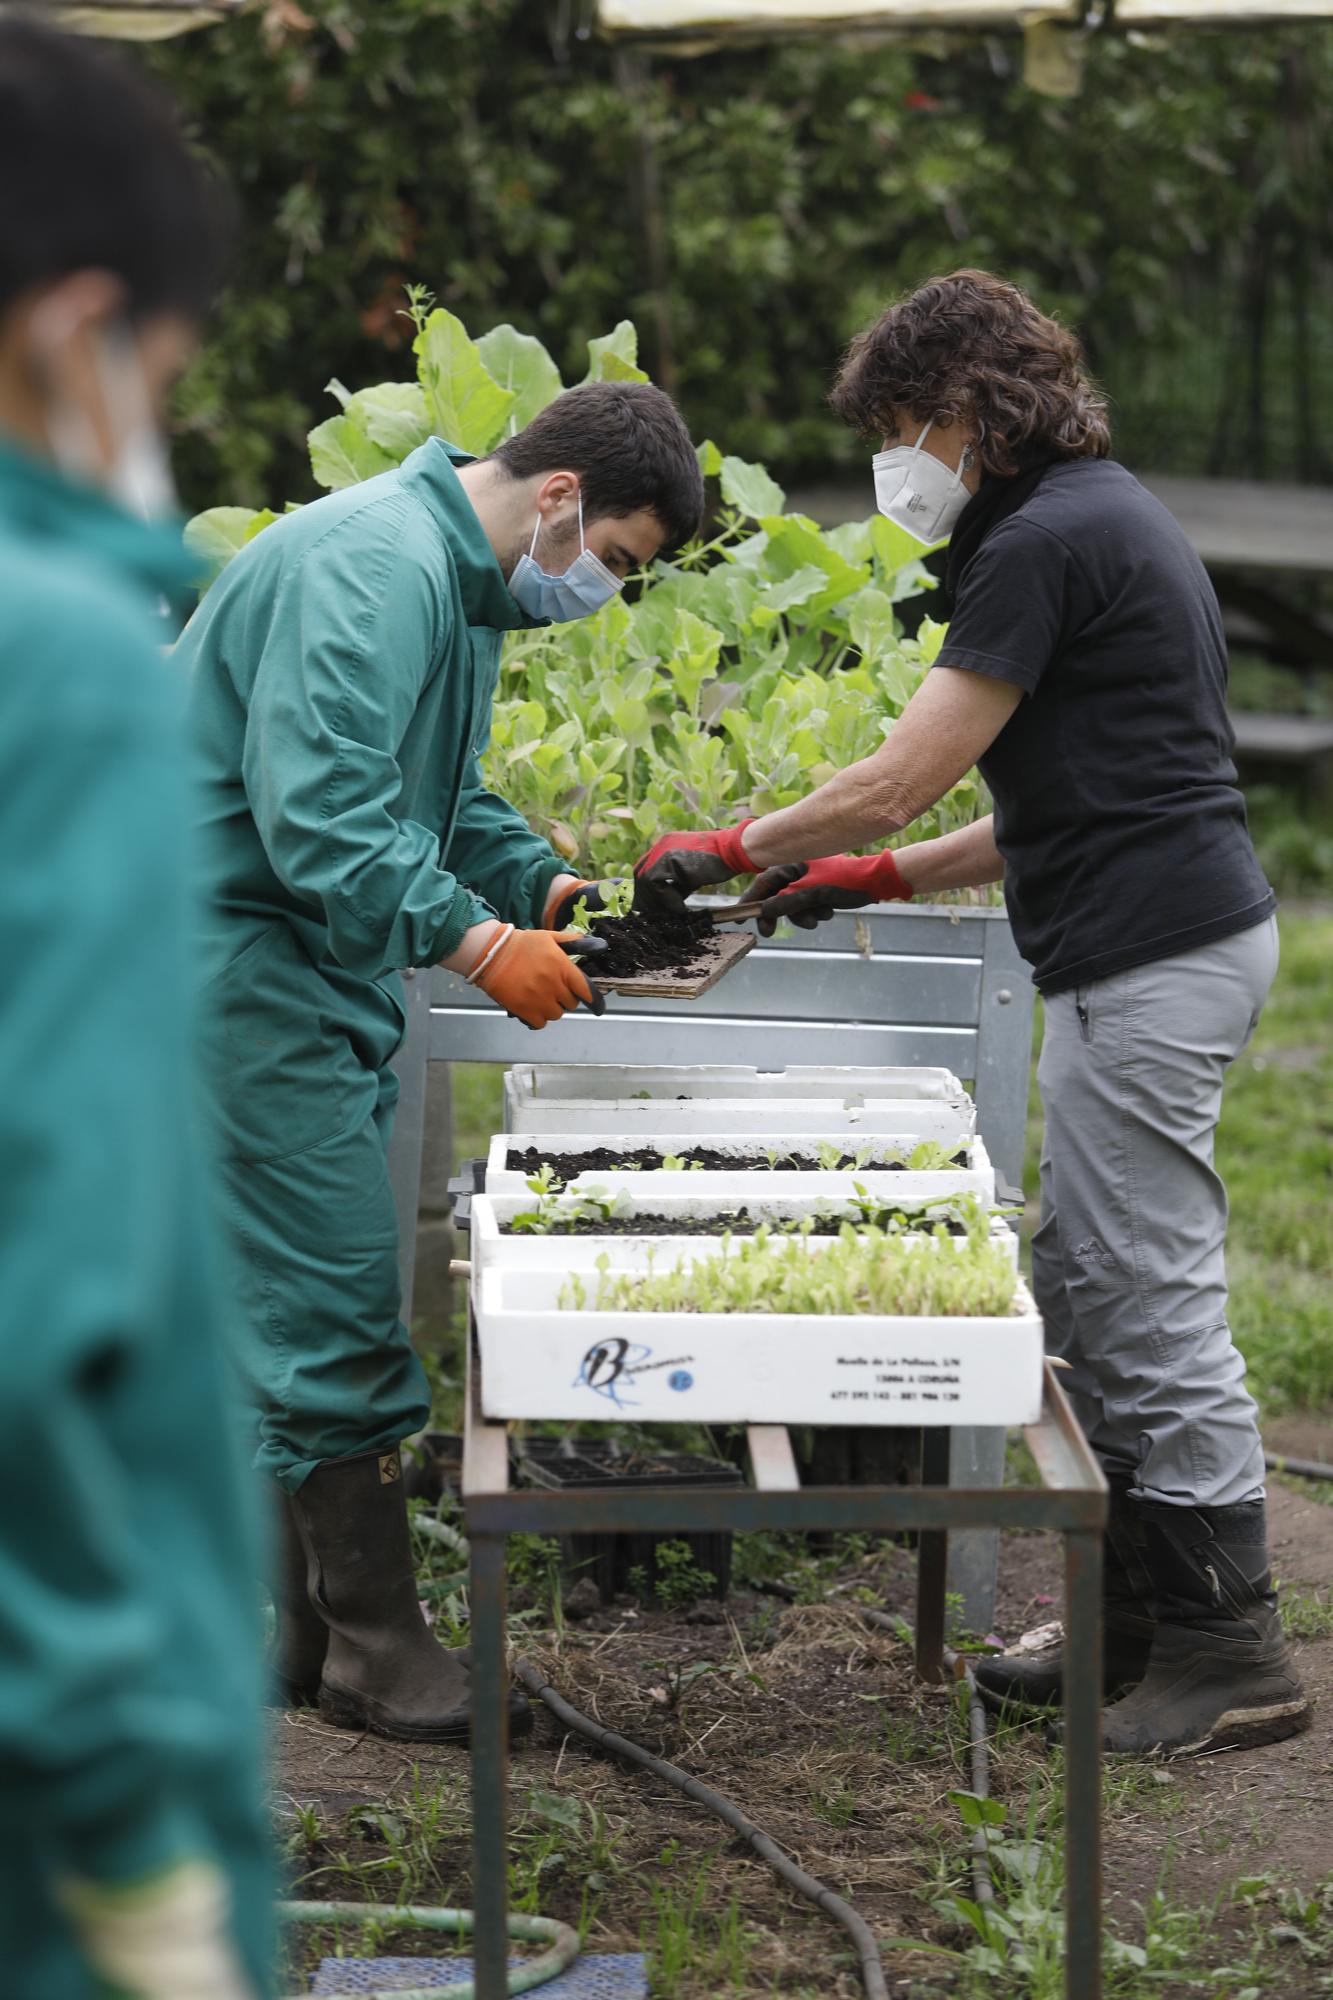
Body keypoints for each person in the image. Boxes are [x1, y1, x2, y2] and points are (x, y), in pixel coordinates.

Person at [633, 269, 1308, 1759]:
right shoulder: (1088, 519)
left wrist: (738, 849)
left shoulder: (1044, 537)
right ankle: (1132, 1619)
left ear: (964, 415)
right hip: (1146, 939)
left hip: (1155, 955)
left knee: (1145, 1292)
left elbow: (900, 771)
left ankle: (1227, 1648)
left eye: (901, 425)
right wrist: (870, 877)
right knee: (1086, 1276)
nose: (898, 457)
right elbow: (1048, 799)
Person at [179, 378, 703, 1743]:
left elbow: (440, 795)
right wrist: (477, 949)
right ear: (559, 499)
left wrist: (540, 889)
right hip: (227, 963)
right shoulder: (373, 567)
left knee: (297, 1302)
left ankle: (298, 1640)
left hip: (292, 966)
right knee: (345, 1302)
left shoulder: (449, 582)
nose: (607, 587)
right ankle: (376, 1648)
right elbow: (328, 826)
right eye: (619, 559)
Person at [0, 19, 272, 1998]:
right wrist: (127, 1822)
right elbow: (36, 1308)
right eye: (162, 375)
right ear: (70, 332)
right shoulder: (64, 661)